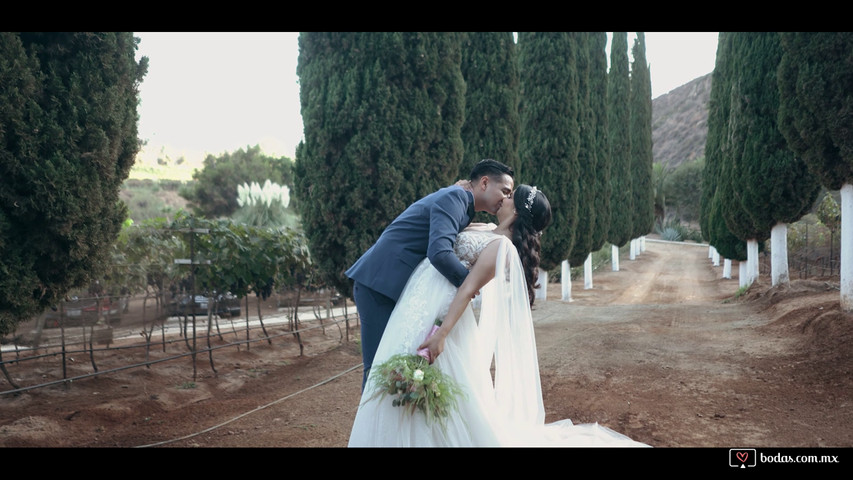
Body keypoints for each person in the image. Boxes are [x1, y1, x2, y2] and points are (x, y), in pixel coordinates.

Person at [348, 185, 648, 447]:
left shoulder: (501, 248)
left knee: (424, 384)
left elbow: (466, 291)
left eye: (508, 197)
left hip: (442, 319)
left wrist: (441, 334)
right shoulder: (485, 230)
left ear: (515, 211)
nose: (502, 198)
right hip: (419, 305)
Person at [346, 159, 515, 390]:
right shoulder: (455, 198)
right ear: (484, 183)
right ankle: (370, 426)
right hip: (379, 283)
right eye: (505, 191)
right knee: (377, 368)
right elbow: (439, 253)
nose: (506, 199)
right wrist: (469, 285)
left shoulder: (463, 206)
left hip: (399, 288)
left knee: (397, 369)